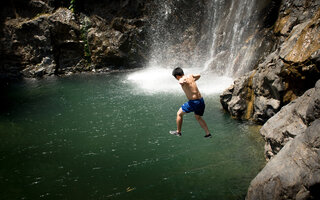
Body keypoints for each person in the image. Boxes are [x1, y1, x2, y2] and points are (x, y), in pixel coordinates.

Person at [170, 67, 212, 138]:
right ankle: (208, 134)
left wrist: (181, 82)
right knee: (198, 117)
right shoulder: (190, 76)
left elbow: (180, 81)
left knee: (179, 113)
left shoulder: (182, 79)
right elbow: (199, 75)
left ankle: (178, 132)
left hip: (194, 102)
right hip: (201, 101)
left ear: (177, 76)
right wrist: (194, 80)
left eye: (176, 77)